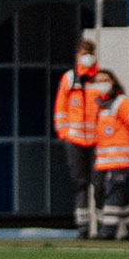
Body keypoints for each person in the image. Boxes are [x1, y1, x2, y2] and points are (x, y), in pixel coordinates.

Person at [54, 38, 101, 239]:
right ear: (77, 56)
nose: (86, 56)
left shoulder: (101, 79)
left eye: (89, 52)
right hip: (74, 140)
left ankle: (102, 227)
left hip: (97, 141)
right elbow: (60, 109)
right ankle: (82, 227)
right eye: (82, 53)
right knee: (80, 183)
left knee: (99, 185)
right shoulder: (69, 78)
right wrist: (64, 134)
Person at [91, 69, 129, 241]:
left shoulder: (122, 103)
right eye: (98, 81)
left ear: (113, 81)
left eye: (105, 80)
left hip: (120, 159)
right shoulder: (99, 106)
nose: (102, 84)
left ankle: (108, 230)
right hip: (104, 161)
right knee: (123, 195)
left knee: (113, 194)